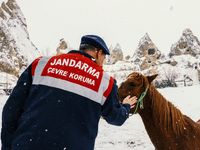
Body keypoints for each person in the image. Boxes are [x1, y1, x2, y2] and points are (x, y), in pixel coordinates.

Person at [1, 35, 137, 150]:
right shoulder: (105, 82)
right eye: (104, 57)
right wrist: (125, 106)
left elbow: (11, 110)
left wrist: (8, 146)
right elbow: (115, 118)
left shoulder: (41, 64)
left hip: (26, 144)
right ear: (98, 53)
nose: (103, 62)